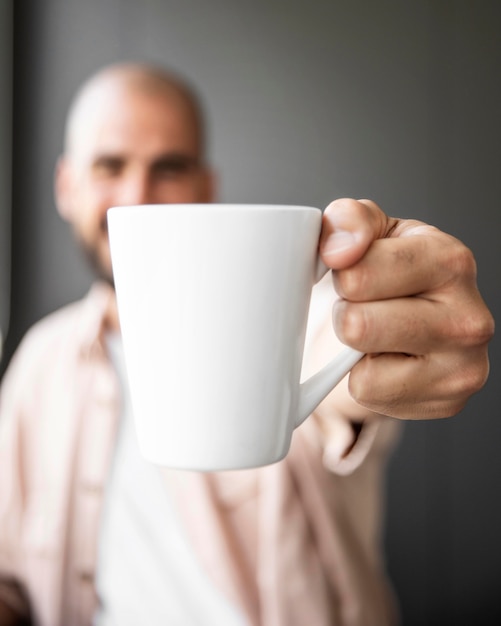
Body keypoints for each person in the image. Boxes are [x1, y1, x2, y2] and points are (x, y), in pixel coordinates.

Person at [0, 62, 494, 626]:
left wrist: (404, 317)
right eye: (110, 166)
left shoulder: (295, 321)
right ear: (67, 187)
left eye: (169, 167)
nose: (137, 195)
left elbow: (344, 380)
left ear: (206, 189)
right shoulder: (40, 364)